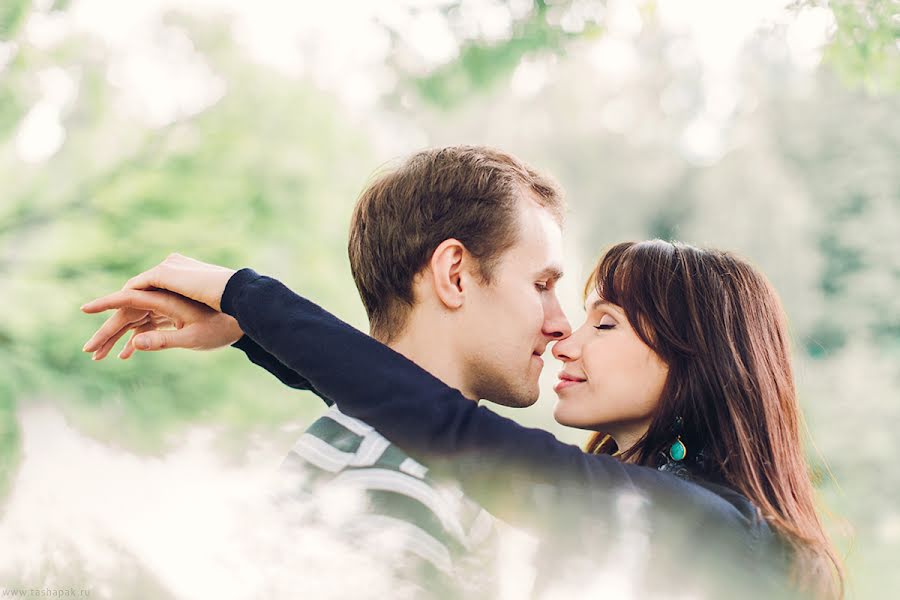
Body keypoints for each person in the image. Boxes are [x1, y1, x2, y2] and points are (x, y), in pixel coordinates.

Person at [82, 239, 844, 598]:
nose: (566, 339)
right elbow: (435, 433)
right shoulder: (661, 503)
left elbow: (455, 438)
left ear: (695, 357)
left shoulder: (713, 526)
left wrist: (243, 292)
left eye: (604, 324)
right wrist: (251, 333)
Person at [82, 146, 572, 598]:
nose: (561, 325)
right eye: (542, 284)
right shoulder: (384, 491)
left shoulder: (400, 465)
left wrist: (246, 321)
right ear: (455, 275)